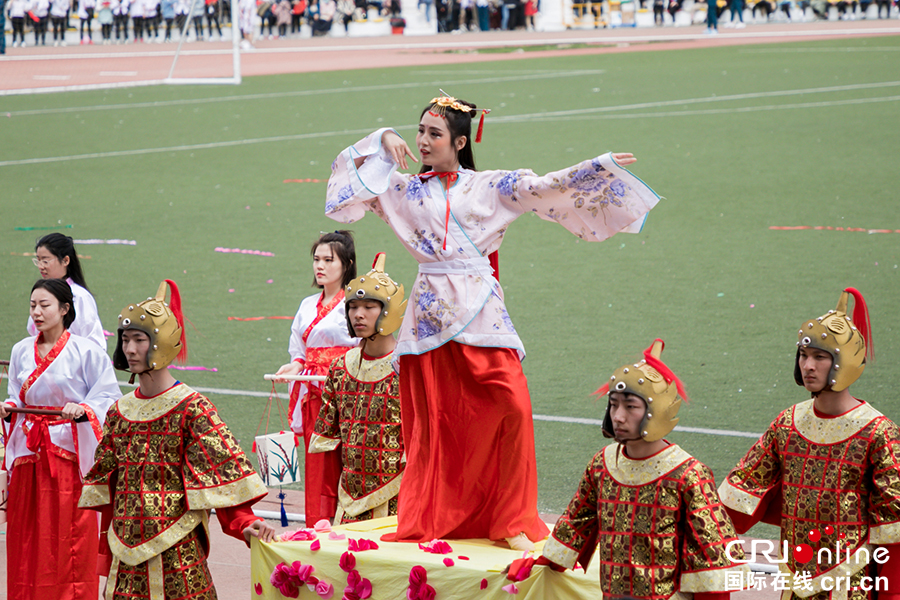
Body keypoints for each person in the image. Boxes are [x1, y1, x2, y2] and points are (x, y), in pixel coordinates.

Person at [324, 93, 660, 550]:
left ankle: (512, 519)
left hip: (481, 308)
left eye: (434, 134)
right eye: (420, 131)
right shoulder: (404, 191)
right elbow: (352, 183)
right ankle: (438, 516)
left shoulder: (490, 187)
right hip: (428, 320)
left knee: (512, 407)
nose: (422, 140)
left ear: (460, 142)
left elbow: (546, 187)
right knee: (438, 422)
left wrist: (594, 167)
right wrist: (383, 140)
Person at [78, 280, 276, 599]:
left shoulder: (192, 408)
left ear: (162, 343)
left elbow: (219, 476)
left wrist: (244, 524)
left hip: (178, 557)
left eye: (139, 340)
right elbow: (109, 492)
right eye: (125, 339)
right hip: (125, 561)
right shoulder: (119, 412)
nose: (130, 349)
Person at [508, 340, 750, 598]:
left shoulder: (689, 474)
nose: (618, 416)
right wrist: (541, 564)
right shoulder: (602, 464)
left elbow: (711, 556)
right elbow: (576, 522)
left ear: (655, 411)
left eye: (630, 406)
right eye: (613, 404)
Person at [719, 288, 900, 600]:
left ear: (845, 363)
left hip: (852, 584)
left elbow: (894, 527)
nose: (808, 366)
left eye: (820, 357)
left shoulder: (878, 433)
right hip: (796, 583)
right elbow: (740, 495)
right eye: (803, 355)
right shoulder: (787, 423)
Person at [1, 279, 121, 600]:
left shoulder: (87, 351)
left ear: (65, 309)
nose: (37, 312)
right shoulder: (20, 350)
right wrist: (10, 408)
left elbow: (108, 397)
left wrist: (83, 409)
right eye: (33, 306)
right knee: (27, 534)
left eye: (45, 305)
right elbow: (16, 394)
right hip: (30, 455)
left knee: (69, 535)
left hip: (68, 457)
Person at [309, 253, 405, 524]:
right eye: (353, 307)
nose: (358, 314)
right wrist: (325, 513)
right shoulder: (340, 368)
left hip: (399, 503)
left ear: (390, 310)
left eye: (370, 306)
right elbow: (329, 446)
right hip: (346, 505)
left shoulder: (410, 370)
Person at [273, 231, 357, 526]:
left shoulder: (355, 303)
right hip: (313, 393)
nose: (319, 266)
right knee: (318, 465)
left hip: (347, 394)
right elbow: (299, 349)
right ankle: (316, 526)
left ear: (346, 264)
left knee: (349, 461)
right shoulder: (307, 304)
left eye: (328, 260)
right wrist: (295, 366)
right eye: (316, 259)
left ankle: (349, 527)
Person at [27, 233, 107, 351]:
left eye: (45, 261)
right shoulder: (41, 293)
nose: (40, 266)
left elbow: (94, 344)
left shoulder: (79, 296)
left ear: (65, 260)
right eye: (38, 260)